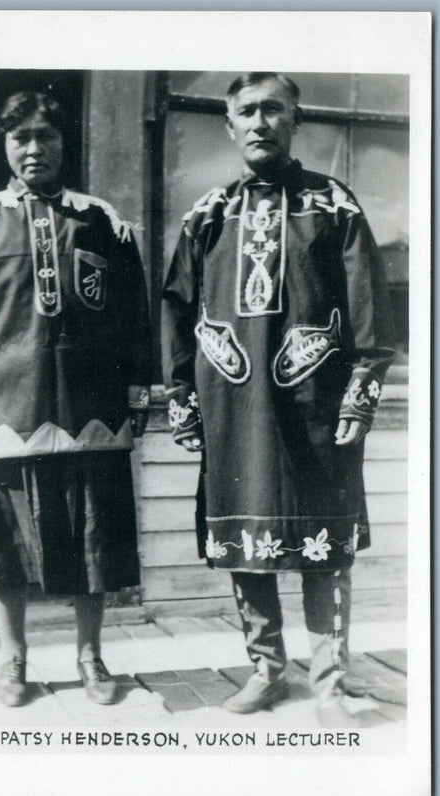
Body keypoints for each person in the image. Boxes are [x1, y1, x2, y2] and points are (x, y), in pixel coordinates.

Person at [162, 73, 395, 715]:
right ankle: (266, 670)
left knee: (323, 542)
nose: (260, 122)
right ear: (229, 126)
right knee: (247, 538)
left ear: (295, 122)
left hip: (315, 402)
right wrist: (182, 397)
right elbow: (178, 311)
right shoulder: (207, 214)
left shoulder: (333, 205)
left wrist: (361, 393)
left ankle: (330, 679)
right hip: (232, 406)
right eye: (246, 112)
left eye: (273, 110)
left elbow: (370, 308)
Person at [0, 91, 151, 707]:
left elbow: (133, 317)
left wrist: (138, 387)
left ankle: (90, 656)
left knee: (95, 539)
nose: (34, 149)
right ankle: (14, 660)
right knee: (7, 543)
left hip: (91, 411)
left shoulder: (103, 221)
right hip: (6, 410)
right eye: (21, 138)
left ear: (65, 144)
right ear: (6, 145)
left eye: (47, 137)